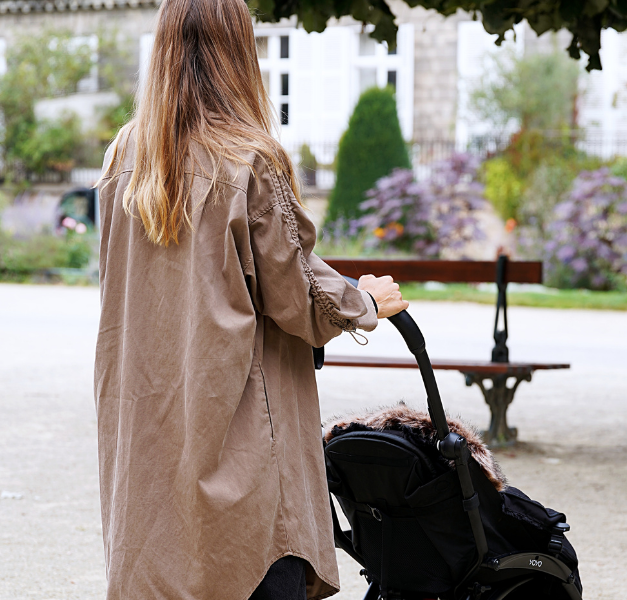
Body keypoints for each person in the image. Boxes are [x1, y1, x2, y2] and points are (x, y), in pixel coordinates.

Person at [94, 0, 408, 597]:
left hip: (146, 423)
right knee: (252, 553)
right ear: (241, 50)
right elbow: (298, 297)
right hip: (238, 424)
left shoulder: (123, 157)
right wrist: (363, 299)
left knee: (161, 564)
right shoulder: (248, 158)